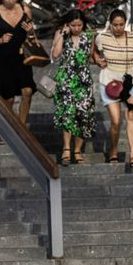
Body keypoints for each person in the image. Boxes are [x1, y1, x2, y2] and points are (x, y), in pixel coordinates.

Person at [93, 10, 133, 168]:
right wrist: (97, 60)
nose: (118, 28)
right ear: (110, 23)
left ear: (125, 23)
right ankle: (113, 150)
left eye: (121, 24)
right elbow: (93, 52)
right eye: (115, 25)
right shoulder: (102, 37)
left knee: (130, 115)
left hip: (130, 82)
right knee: (115, 121)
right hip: (109, 81)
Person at [0, 0, 36, 124]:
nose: (11, 0)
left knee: (27, 91)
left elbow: (32, 39)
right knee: (9, 98)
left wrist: (31, 32)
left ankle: (21, 128)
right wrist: (0, 40)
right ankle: (6, 128)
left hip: (22, 57)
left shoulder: (26, 9)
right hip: (3, 58)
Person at [51, 10, 97, 165]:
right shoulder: (61, 34)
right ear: (67, 24)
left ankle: (77, 150)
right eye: (73, 25)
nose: (76, 28)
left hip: (84, 81)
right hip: (66, 80)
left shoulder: (88, 36)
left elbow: (89, 57)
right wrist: (62, 35)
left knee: (83, 115)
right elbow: (56, 55)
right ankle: (66, 149)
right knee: (68, 114)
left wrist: (99, 61)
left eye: (79, 25)